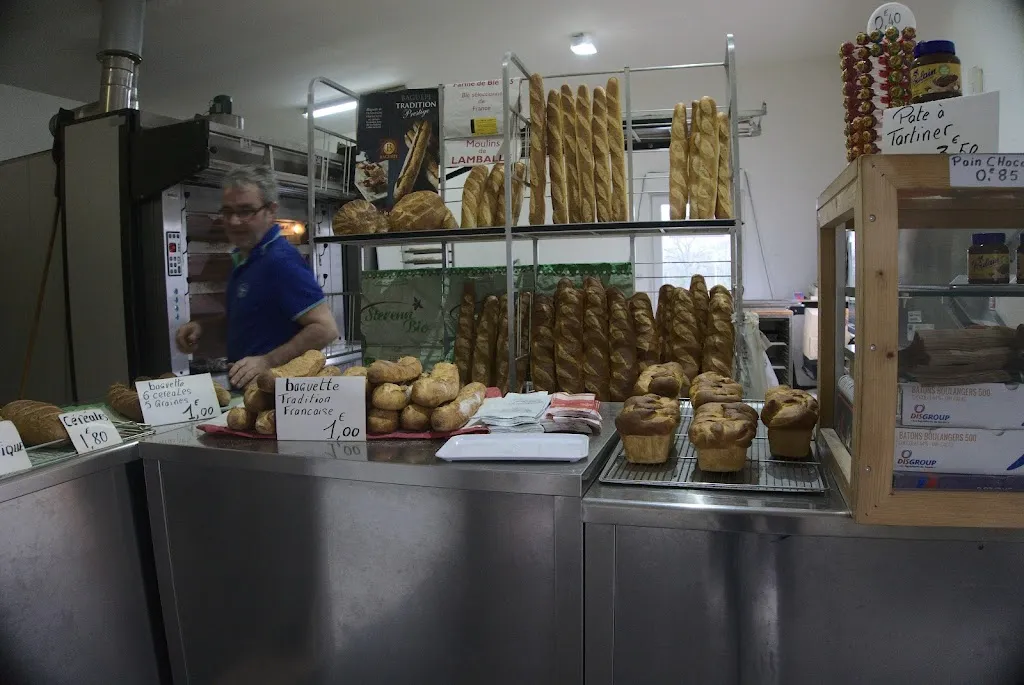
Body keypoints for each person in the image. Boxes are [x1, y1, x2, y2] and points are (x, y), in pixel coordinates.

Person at [175, 165, 338, 388]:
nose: (233, 221)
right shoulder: (246, 259)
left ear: (271, 211)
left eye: (245, 211)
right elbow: (249, 321)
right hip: (250, 394)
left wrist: (268, 362)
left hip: (276, 398)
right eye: (227, 211)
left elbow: (325, 329)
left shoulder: (280, 261)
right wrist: (204, 328)